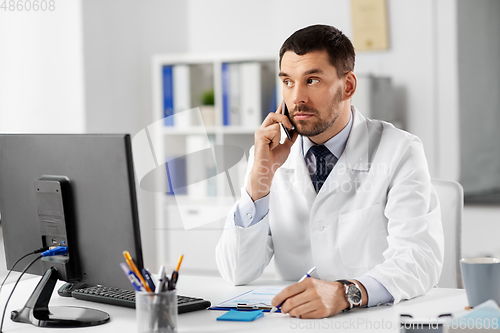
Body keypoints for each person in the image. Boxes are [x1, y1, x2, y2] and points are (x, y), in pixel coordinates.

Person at [215, 24, 444, 319]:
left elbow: (419, 259)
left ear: (347, 86)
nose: (296, 97)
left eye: (312, 80)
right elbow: (236, 272)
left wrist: (345, 292)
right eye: (287, 82)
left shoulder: (400, 150)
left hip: (372, 319)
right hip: (294, 322)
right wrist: (259, 183)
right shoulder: (267, 157)